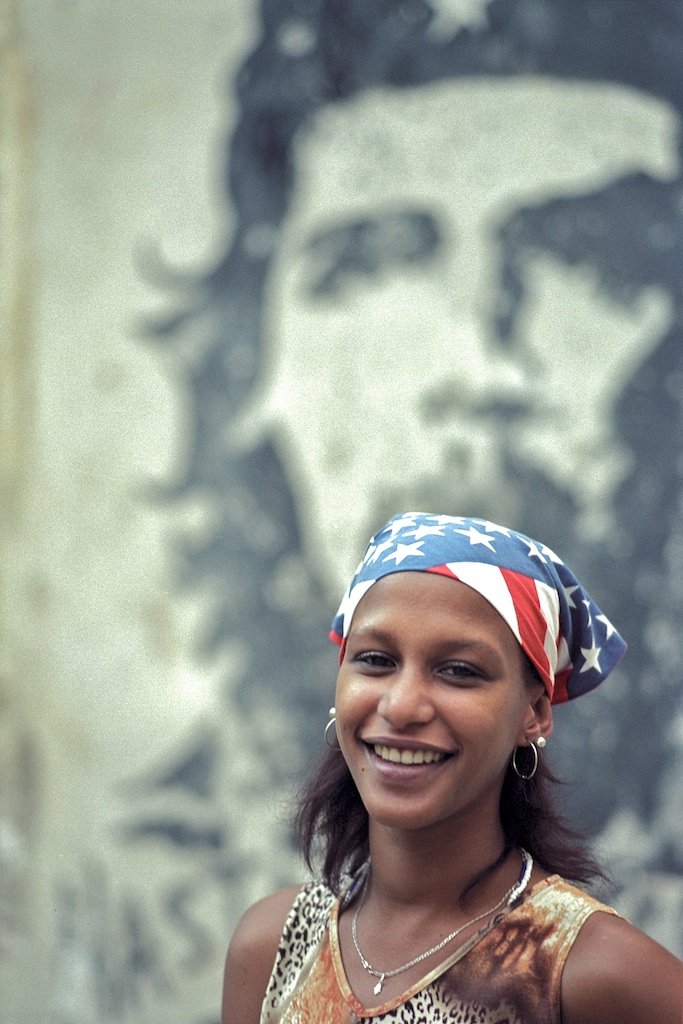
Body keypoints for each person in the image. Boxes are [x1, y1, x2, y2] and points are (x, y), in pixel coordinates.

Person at [221, 513, 683, 1023]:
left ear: (533, 713)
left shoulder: (593, 976)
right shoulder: (272, 948)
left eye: (459, 671)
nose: (400, 706)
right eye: (375, 660)